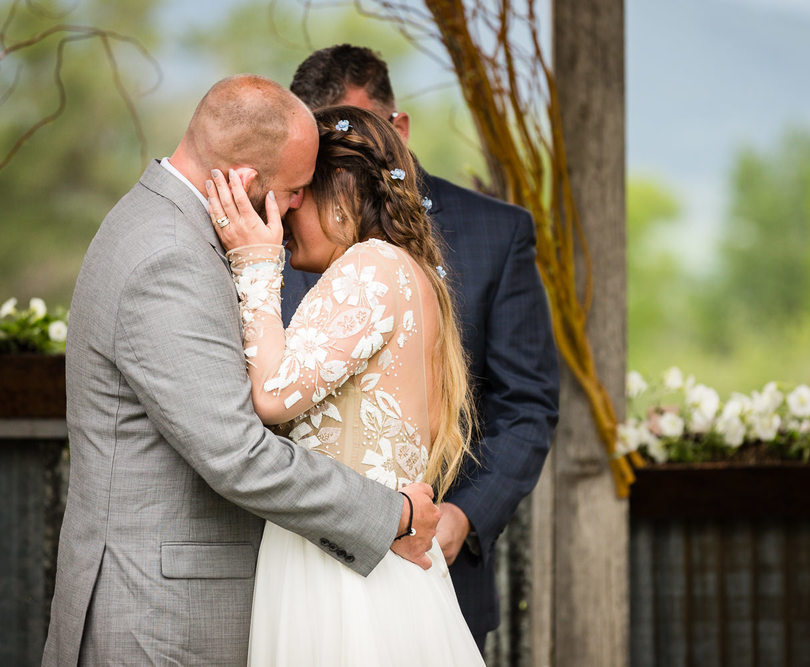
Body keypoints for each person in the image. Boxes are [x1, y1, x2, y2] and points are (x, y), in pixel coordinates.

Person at [42, 75, 438, 666]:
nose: (299, 204)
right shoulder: (170, 256)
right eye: (296, 189)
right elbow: (237, 454)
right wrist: (394, 513)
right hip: (161, 620)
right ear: (248, 180)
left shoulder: (166, 227)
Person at [285, 44, 561, 649]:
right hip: (298, 575)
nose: (328, 170)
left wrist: (464, 516)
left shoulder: (497, 233)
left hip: (431, 569)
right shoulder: (278, 226)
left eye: (348, 144)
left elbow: (527, 405)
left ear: (396, 128)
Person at [206, 104, 485, 665]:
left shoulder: (371, 266)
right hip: (366, 555)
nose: (280, 218)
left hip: (341, 577)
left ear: (342, 187)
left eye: (297, 193)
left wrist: (255, 263)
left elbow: (271, 396)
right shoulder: (411, 273)